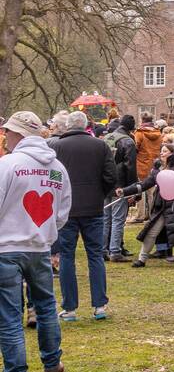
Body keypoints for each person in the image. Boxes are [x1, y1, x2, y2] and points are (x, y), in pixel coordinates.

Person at [0, 111, 72, 372]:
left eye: (8, 131)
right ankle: (52, 363)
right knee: (45, 306)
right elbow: (62, 212)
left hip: (6, 248)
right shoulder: (57, 168)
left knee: (9, 315)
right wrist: (44, 233)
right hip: (39, 247)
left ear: (18, 134)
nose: (5, 136)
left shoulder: (8, 165)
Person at [50, 111, 115, 322]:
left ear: (68, 126)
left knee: (67, 256)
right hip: (93, 207)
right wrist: (99, 194)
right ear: (86, 125)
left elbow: (53, 177)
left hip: (67, 209)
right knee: (95, 255)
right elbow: (110, 177)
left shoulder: (57, 147)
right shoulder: (100, 146)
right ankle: (99, 305)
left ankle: (69, 307)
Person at [119, 144, 174, 266]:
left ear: (172, 153)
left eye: (165, 151)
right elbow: (145, 184)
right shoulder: (158, 169)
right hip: (161, 206)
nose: (162, 153)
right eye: (161, 151)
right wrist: (125, 191)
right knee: (152, 232)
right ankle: (143, 259)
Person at [103, 114, 138, 263]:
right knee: (118, 218)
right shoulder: (128, 141)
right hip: (121, 183)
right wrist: (132, 189)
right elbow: (130, 167)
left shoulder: (108, 138)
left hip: (105, 181)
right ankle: (115, 250)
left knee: (106, 218)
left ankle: (103, 249)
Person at [132, 112, 163, 223]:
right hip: (155, 164)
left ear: (142, 120)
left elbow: (135, 148)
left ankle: (140, 215)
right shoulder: (159, 133)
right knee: (152, 191)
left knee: (140, 189)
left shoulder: (139, 133)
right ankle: (152, 214)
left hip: (141, 164)